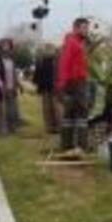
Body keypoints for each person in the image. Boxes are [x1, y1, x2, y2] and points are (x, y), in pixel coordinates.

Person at [57, 18, 91, 151]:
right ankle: (80, 145)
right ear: (75, 28)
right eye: (84, 28)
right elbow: (64, 63)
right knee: (80, 112)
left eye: (87, 28)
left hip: (79, 81)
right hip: (74, 82)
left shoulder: (79, 42)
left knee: (71, 113)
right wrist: (62, 83)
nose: (86, 30)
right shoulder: (72, 42)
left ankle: (68, 145)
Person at [0, 38, 22, 135]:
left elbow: (13, 73)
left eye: (8, 45)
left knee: (11, 110)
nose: (6, 47)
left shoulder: (11, 60)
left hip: (11, 88)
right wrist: (2, 86)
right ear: (0, 47)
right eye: (4, 45)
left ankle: (11, 127)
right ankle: (1, 129)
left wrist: (18, 84)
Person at [32, 43, 60, 134]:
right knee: (47, 107)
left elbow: (60, 72)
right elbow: (37, 74)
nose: (49, 50)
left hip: (54, 86)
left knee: (55, 107)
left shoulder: (56, 59)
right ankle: (49, 127)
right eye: (47, 48)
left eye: (50, 48)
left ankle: (57, 126)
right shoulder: (41, 60)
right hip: (45, 87)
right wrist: (37, 83)